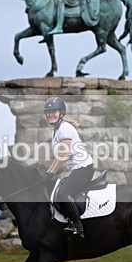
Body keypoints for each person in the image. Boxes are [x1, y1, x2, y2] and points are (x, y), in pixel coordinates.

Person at [43, 96, 94, 239]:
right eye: (48, 112)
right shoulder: (56, 130)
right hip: (77, 169)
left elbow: (64, 154)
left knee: (64, 194)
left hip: (83, 168)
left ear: (61, 113)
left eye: (54, 112)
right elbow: (58, 156)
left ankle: (77, 227)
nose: (50, 114)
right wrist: (48, 173)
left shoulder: (64, 128)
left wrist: (51, 173)